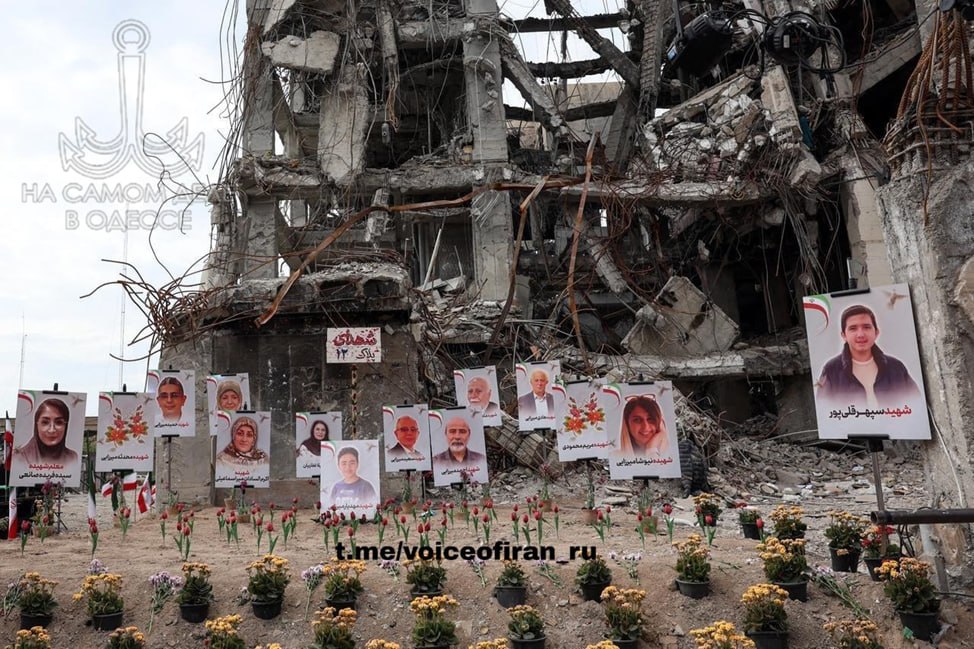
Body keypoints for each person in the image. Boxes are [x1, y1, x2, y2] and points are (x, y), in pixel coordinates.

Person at [816, 304, 921, 408]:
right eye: (853, 328)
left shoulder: (896, 368)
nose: (860, 334)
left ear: (876, 332)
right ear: (844, 335)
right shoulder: (831, 370)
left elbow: (917, 405)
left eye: (866, 327)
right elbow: (824, 411)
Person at [14, 398, 79, 466]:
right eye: (45, 422)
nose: (52, 430)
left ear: (66, 425)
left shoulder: (72, 457)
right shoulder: (20, 457)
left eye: (59, 422)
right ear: (36, 425)